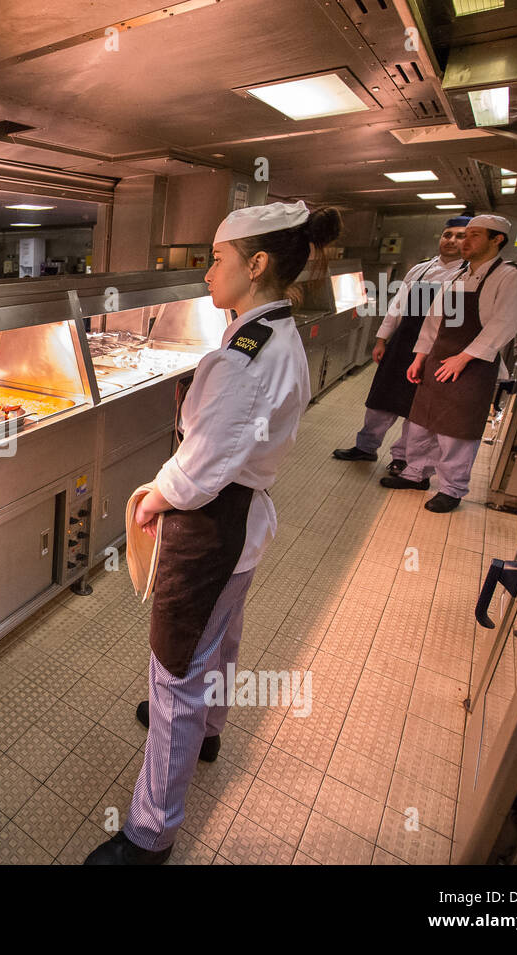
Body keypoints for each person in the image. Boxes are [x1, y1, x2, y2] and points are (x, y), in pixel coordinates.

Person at [85, 201, 340, 865]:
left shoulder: (240, 357)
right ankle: (209, 734)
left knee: (174, 675)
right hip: (245, 521)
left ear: (255, 264)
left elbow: (198, 469)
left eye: (217, 260)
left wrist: (151, 501)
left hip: (209, 529)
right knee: (221, 639)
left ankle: (150, 833)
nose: (206, 273)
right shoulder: (277, 332)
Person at [380, 214, 517, 512]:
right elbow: (434, 321)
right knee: (422, 420)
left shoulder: (512, 276)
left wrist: (462, 359)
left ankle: (452, 489)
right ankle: (415, 474)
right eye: (465, 235)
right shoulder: (458, 275)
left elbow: (504, 324)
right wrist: (421, 357)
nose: (465, 241)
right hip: (438, 357)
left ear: (496, 239)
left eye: (474, 235)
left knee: (456, 429)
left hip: (474, 362)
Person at [332, 217, 468, 473]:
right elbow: (397, 306)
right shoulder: (421, 269)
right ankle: (365, 447)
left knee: (414, 407)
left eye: (460, 236)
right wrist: (382, 339)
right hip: (403, 341)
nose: (451, 241)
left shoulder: (469, 274)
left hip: (438, 349)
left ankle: (402, 457)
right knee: (380, 398)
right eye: (447, 235)